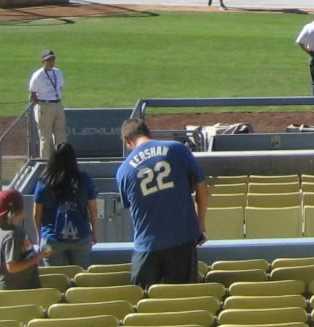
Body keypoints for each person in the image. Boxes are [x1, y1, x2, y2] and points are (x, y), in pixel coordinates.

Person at [115, 118, 210, 289]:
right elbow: (203, 189)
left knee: (145, 305)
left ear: (127, 139)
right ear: (148, 132)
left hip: (147, 246)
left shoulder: (124, 170)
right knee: (182, 303)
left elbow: (133, 210)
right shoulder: (177, 149)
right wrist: (200, 224)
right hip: (182, 241)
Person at [32, 142, 99, 268]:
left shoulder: (44, 181)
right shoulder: (83, 179)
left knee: (55, 279)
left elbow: (37, 214)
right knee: (81, 277)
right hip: (81, 236)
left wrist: (39, 235)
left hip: (51, 238)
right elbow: (93, 210)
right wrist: (94, 232)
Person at [0, 189, 43, 290]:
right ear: (17, 210)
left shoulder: (3, 230)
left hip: (8, 286)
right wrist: (37, 258)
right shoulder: (14, 235)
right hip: (18, 290)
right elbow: (12, 267)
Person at [27, 50, 65, 155]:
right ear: (43, 61)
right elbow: (32, 93)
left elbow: (60, 87)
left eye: (53, 59)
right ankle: (45, 163)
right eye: (48, 59)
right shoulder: (38, 75)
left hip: (57, 104)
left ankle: (61, 161)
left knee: (60, 135)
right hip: (44, 105)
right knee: (45, 137)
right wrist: (39, 106)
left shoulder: (58, 72)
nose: (51, 61)